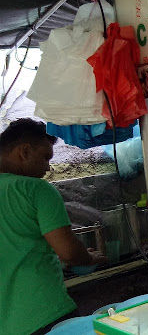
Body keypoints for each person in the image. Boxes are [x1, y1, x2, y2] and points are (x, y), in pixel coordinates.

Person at [0, 119, 106, 334]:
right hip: (43, 313)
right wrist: (89, 258)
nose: (48, 167)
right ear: (25, 151)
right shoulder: (36, 189)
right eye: (45, 157)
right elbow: (68, 252)